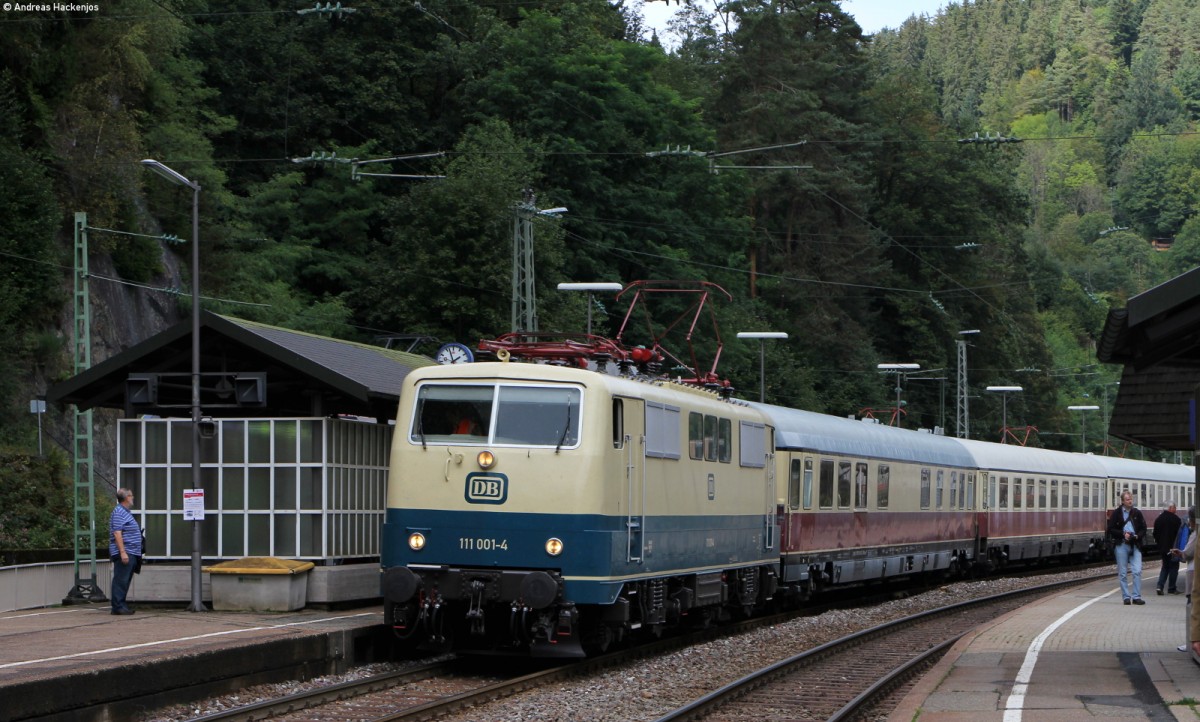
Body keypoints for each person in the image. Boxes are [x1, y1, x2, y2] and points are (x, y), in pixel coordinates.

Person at [1107, 490, 1147, 605]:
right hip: (1122, 544)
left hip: (1135, 544)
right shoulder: (1117, 513)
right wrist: (1122, 534)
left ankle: (1136, 596)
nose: (1130, 501)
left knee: (1137, 571)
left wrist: (1137, 536)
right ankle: (1126, 597)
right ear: (1123, 501)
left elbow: (1143, 528)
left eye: (1131, 499)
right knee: (1123, 572)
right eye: (1127, 499)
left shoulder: (1137, 513)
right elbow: (1111, 529)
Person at [108, 487, 143, 616]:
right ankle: (117, 606)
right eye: (131, 496)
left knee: (125, 580)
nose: (133, 498)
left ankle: (121, 605)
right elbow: (117, 533)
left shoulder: (125, 512)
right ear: (126, 498)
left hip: (132, 551)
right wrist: (123, 552)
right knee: (121, 580)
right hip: (126, 552)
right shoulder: (119, 512)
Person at [1155, 503, 1183, 595]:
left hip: (1163, 548)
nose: (1176, 509)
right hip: (1173, 548)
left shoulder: (1158, 519)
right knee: (1174, 567)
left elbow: (1155, 534)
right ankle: (1172, 588)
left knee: (1165, 567)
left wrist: (1160, 544)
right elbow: (1180, 535)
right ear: (1170, 508)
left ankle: (1160, 586)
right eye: (1175, 507)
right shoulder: (1177, 520)